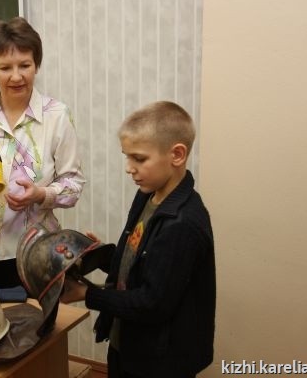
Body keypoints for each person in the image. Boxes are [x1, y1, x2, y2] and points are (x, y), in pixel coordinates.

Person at [61, 101, 215, 377]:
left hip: (159, 362)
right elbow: (141, 261)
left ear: (177, 155)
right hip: (127, 344)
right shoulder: (148, 195)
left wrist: (87, 294)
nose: (129, 168)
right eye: (127, 157)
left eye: (139, 159)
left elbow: (151, 304)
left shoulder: (183, 224)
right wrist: (99, 254)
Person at [0, 16, 86, 289]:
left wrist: (41, 194)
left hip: (35, 251)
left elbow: (74, 185)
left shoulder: (57, 116)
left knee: (33, 318)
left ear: (36, 65)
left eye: (25, 65)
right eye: (5, 67)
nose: (17, 76)